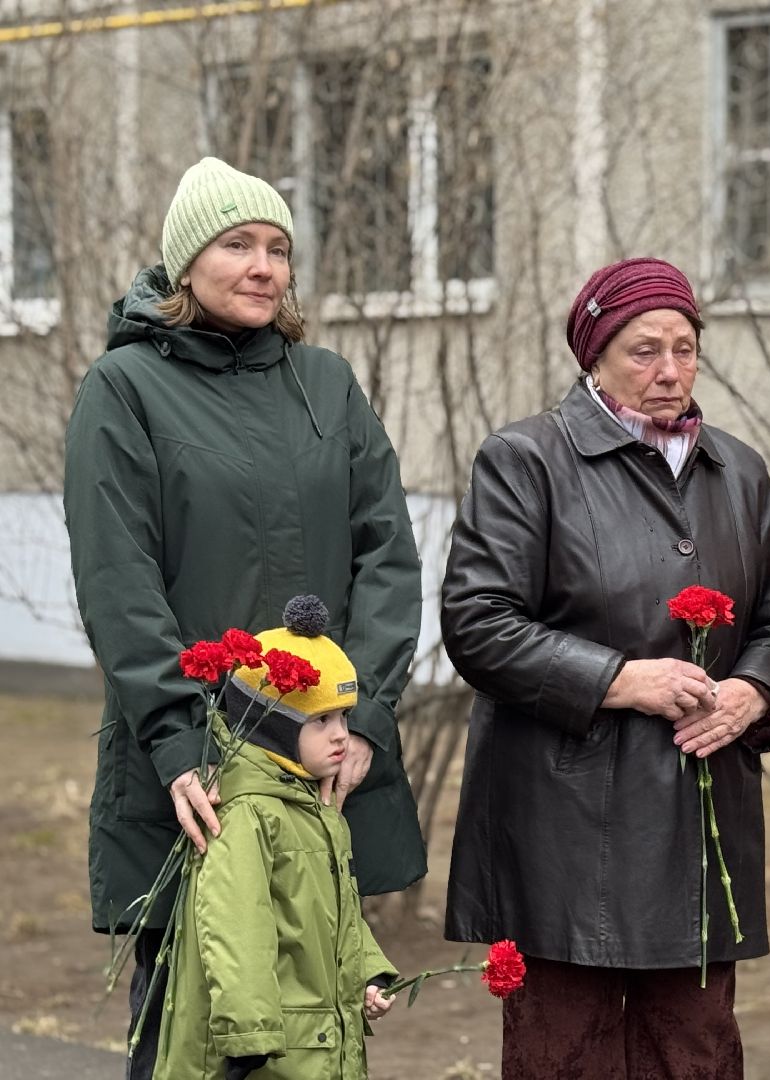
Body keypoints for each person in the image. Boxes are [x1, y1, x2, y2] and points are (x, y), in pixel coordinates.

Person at [63, 157, 425, 1080]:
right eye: (237, 245)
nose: (264, 267)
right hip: (199, 778)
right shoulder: (125, 388)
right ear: (187, 262)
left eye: (278, 248)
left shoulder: (327, 384)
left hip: (320, 772)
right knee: (198, 1039)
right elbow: (118, 578)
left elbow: (388, 554)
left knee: (314, 1042)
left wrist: (365, 717)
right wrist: (178, 740)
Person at [439, 257, 770, 1079]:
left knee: (697, 1053)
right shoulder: (526, 460)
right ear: (596, 356)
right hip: (564, 833)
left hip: (699, 822)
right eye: (644, 351)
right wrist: (620, 679)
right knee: (563, 1055)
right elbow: (478, 622)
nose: (669, 370)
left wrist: (754, 691)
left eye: (685, 348)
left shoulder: (739, 471)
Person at [154, 596, 397, 1080]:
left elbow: (337, 911)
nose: (341, 736)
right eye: (320, 720)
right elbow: (235, 926)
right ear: (275, 729)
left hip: (309, 1041)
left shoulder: (314, 808)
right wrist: (250, 1038)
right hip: (264, 1053)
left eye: (344, 717)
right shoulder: (248, 811)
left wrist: (367, 971)